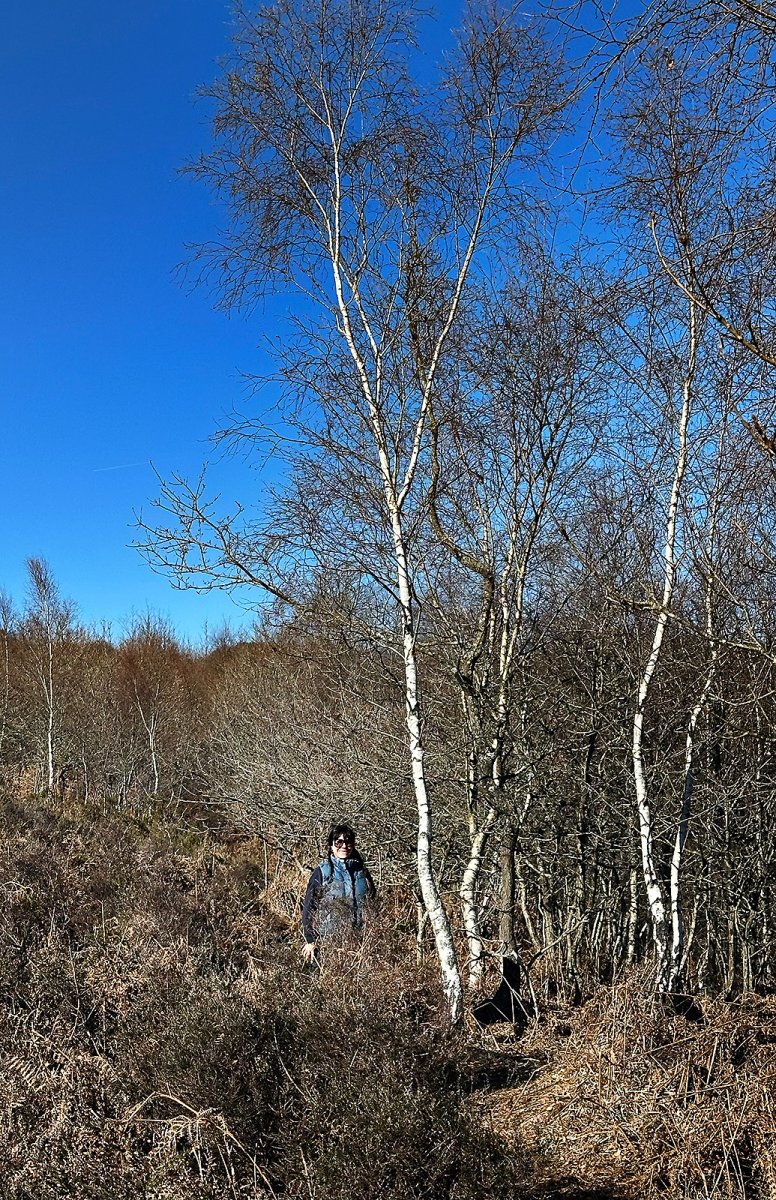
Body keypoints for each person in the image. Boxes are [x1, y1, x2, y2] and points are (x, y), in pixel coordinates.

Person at [301, 822, 376, 964]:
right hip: (327, 941)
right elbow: (309, 907)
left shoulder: (362, 872)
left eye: (348, 841)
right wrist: (310, 940)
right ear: (331, 845)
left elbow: (372, 902)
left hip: (359, 942)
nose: (344, 846)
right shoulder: (322, 872)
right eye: (339, 842)